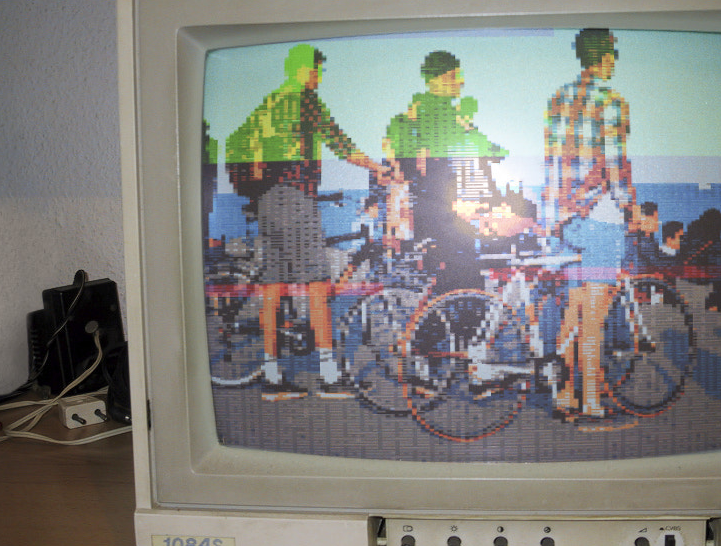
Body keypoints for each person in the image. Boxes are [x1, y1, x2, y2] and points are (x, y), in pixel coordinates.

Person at [224, 44, 386, 390]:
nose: (318, 77)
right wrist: (376, 167)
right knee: (316, 285)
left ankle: (271, 374)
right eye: (315, 70)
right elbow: (340, 144)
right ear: (300, 70)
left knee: (272, 287)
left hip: (266, 200)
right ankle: (329, 374)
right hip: (295, 198)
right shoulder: (304, 100)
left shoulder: (269, 102)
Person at [544, 28, 634, 419]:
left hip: (566, 219)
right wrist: (632, 208)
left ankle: (564, 395)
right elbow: (615, 165)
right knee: (594, 315)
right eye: (613, 54)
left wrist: (553, 217)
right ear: (607, 57)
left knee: (573, 311)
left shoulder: (558, 99)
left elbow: (551, 165)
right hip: (600, 217)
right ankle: (593, 401)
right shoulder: (612, 101)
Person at [383, 50, 528, 292]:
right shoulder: (439, 112)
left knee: (447, 277)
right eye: (453, 76)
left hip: (423, 209)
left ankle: (433, 323)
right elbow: (494, 151)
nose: (460, 81)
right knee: (465, 279)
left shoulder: (410, 114)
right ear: (434, 80)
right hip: (443, 214)